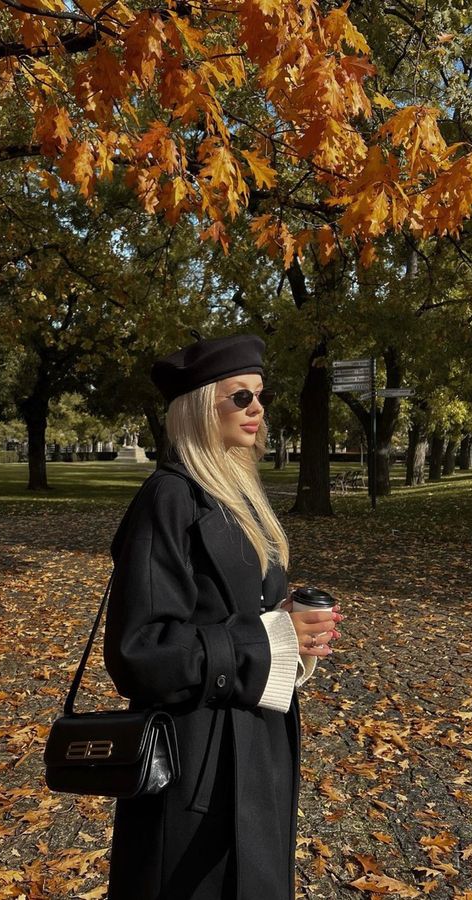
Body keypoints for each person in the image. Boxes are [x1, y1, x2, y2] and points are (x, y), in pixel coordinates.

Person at [103, 333, 343, 900]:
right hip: (196, 766)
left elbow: (245, 616)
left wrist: (293, 634)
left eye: (260, 395)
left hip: (255, 747)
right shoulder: (169, 499)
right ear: (199, 405)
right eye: (240, 397)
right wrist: (268, 639)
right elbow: (139, 652)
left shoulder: (237, 496)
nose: (257, 408)